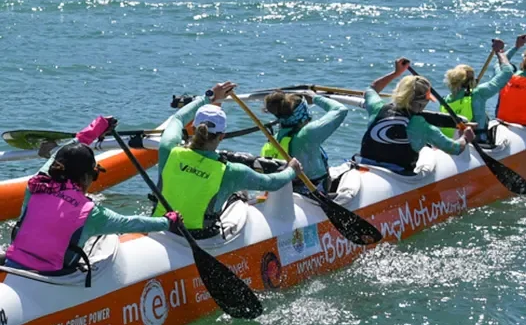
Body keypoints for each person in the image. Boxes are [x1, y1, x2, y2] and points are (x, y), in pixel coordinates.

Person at [2, 117, 179, 277]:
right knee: (104, 240)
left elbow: (64, 151)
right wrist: (167, 222)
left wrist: (97, 126)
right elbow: (130, 223)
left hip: (13, 264)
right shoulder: (90, 213)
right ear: (86, 178)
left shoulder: (36, 185)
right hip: (54, 275)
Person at [153, 82, 303, 235]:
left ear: (193, 128)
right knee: (239, 197)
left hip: (159, 227)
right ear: (222, 136)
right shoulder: (231, 171)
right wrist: (292, 170)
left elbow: (177, 118)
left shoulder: (168, 149)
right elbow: (272, 183)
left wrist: (209, 96)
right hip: (199, 237)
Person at [357, 59, 474, 174]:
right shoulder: (421, 125)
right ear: (420, 102)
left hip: (364, 164)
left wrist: (396, 73)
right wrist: (465, 137)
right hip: (398, 175)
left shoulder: (377, 108)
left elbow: (371, 89)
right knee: (428, 150)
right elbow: (454, 148)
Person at [262, 91, 347, 191]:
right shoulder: (308, 133)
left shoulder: (274, 138)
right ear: (304, 112)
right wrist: (315, 98)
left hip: (288, 189)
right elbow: (341, 109)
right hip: (314, 191)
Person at [439, 38, 514, 142]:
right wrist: (499, 52)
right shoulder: (478, 93)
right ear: (471, 81)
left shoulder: (444, 101)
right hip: (478, 142)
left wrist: (516, 47)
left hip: (452, 142)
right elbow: (507, 72)